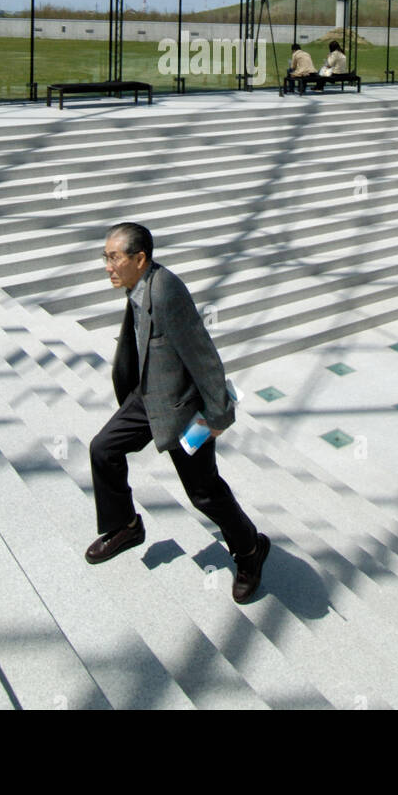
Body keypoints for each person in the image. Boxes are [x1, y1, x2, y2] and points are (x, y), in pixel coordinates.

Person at [85, 223, 270, 603]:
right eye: (105, 257)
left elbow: (201, 353)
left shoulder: (166, 291)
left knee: (203, 493)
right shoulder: (134, 285)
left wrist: (218, 415)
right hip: (146, 396)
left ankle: (250, 549)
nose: (108, 266)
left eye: (114, 257)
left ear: (140, 259)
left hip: (181, 407)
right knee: (103, 449)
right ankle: (126, 525)